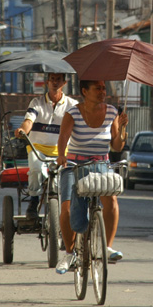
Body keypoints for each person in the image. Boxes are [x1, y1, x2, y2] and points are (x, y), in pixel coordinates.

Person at [55, 79, 128, 273]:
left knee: (111, 199)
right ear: (85, 91)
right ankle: (70, 253)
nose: (102, 92)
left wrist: (121, 129)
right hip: (73, 165)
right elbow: (63, 137)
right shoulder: (73, 113)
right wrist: (61, 155)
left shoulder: (112, 112)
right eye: (98, 88)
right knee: (67, 209)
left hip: (100, 164)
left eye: (104, 88)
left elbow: (117, 147)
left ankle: (107, 246)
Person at [15, 72, 78, 220]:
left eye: (58, 80)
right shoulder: (37, 103)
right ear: (47, 82)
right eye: (52, 79)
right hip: (38, 148)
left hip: (62, 150)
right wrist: (23, 130)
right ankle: (34, 200)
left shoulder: (72, 105)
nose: (55, 82)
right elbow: (29, 121)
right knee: (36, 169)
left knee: (67, 179)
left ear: (64, 83)